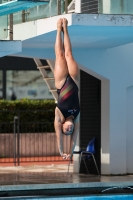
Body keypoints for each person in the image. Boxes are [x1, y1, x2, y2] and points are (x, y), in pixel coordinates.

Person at [54, 18, 80, 160]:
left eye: (66, 130)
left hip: (62, 83)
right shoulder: (76, 118)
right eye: (70, 130)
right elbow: (75, 138)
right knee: (69, 54)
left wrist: (62, 150)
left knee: (60, 55)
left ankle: (59, 29)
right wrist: (71, 153)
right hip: (75, 82)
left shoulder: (59, 116)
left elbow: (59, 137)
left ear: (63, 126)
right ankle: (66, 29)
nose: (69, 129)